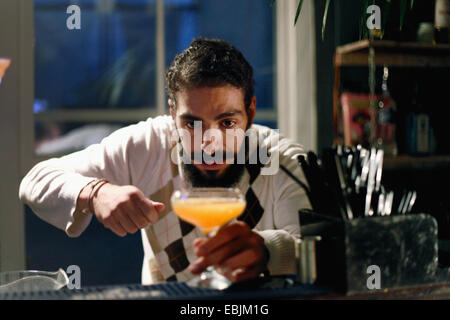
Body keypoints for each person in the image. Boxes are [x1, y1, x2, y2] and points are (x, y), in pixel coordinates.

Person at [19, 38, 311, 285]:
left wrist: (268, 249)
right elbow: (35, 181)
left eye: (227, 122)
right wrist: (96, 192)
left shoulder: (283, 161)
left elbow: (317, 250)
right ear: (173, 114)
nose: (210, 144)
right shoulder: (150, 144)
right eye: (192, 124)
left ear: (251, 111)